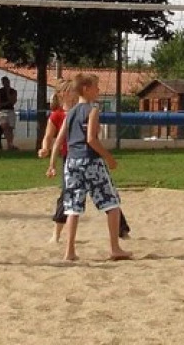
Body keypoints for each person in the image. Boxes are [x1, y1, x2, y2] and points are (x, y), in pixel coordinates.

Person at [42, 81, 130, 243]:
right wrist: (47, 155)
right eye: (70, 91)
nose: (73, 93)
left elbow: (92, 135)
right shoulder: (62, 114)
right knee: (71, 199)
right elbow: (54, 138)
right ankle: (57, 234)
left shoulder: (81, 111)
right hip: (75, 160)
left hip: (82, 159)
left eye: (74, 90)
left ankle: (122, 230)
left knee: (106, 200)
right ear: (62, 94)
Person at [0, 76, 18, 150]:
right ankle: (10, 144)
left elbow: (13, 101)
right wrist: (7, 103)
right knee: (5, 127)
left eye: (7, 81)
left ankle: (10, 145)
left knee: (10, 129)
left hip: (11, 111)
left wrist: (8, 93)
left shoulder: (13, 91)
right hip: (2, 112)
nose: (6, 83)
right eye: (4, 82)